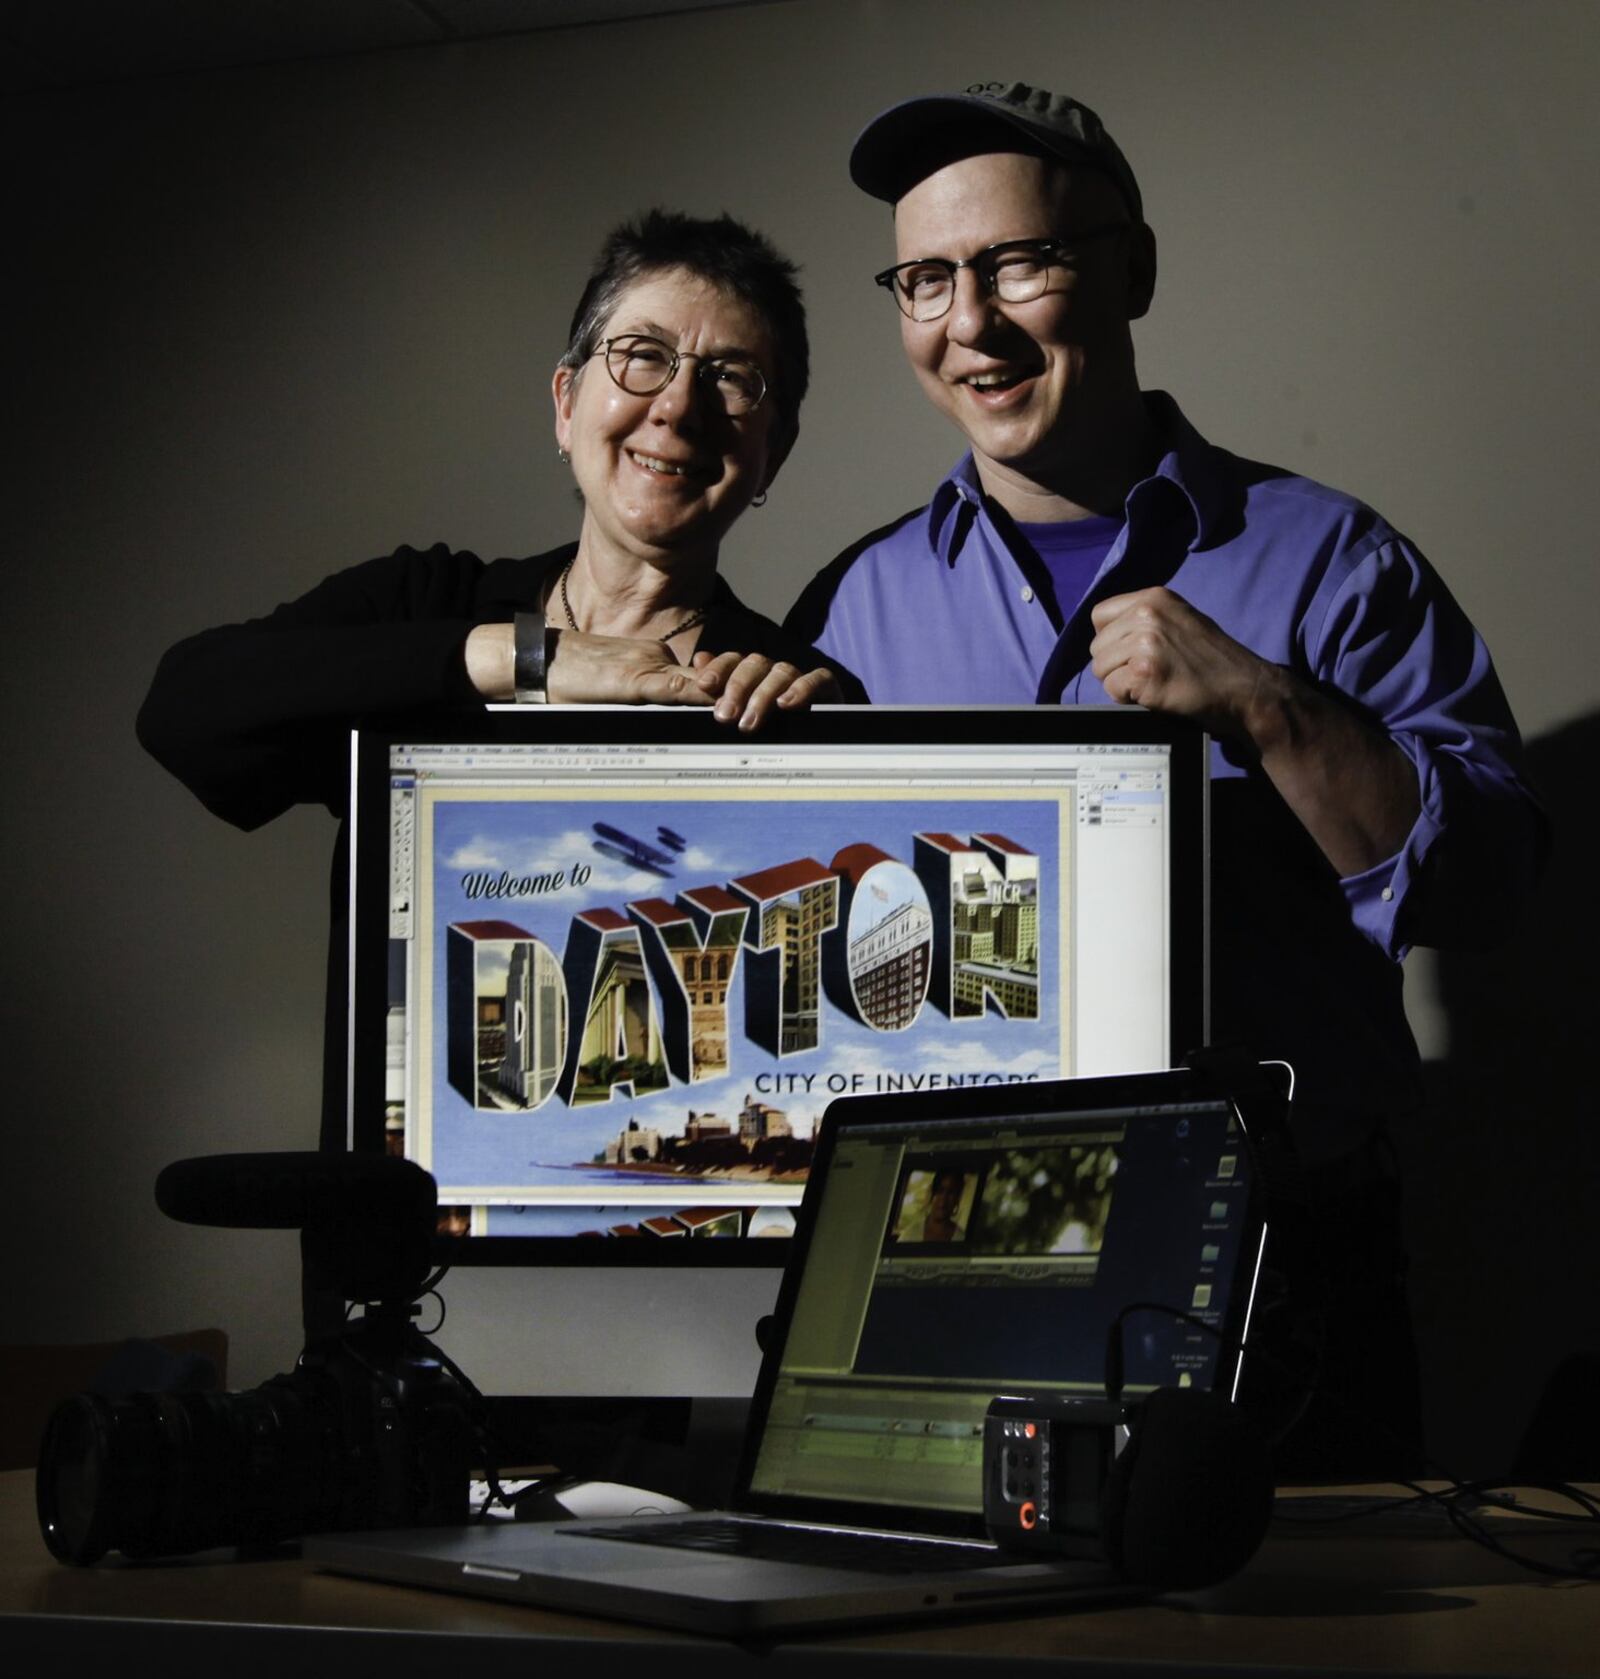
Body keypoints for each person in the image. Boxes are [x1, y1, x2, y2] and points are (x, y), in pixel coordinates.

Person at [785, 83, 1551, 1474]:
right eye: (927, 278)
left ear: (1131, 268)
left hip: (1282, 1253)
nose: (972, 322)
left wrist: (1266, 706)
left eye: (1022, 261)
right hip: (957, 1260)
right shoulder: (852, 608)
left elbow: (1491, 884)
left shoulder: (1328, 559)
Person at [138, 207, 864, 1193]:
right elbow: (185, 708)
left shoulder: (785, 690)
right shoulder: (426, 605)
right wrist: (518, 657)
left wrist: (826, 756)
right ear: (566, 403)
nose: (678, 408)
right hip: (398, 1240)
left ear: (771, 451)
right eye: (641, 355)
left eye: (732, 379)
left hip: (674, 1245)